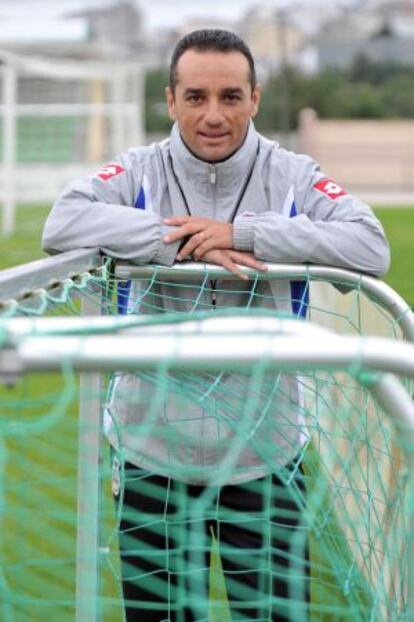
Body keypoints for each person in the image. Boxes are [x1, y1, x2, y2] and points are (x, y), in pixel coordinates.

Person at [42, 29, 390, 622]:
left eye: (230, 96)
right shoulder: (139, 168)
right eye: (196, 97)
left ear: (254, 99)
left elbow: (369, 245)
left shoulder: (292, 174)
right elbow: (62, 222)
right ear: (171, 100)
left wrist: (248, 233)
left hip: (267, 455)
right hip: (155, 456)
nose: (213, 115)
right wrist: (175, 240)